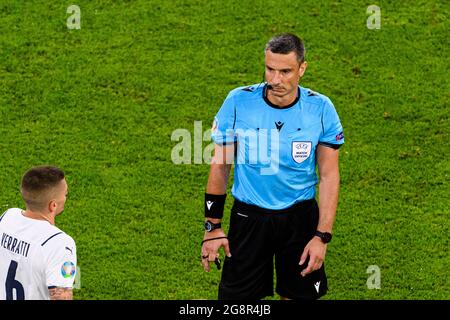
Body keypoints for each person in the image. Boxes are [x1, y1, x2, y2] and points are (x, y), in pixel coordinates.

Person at [201, 33, 344, 300]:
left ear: (302, 68)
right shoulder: (238, 102)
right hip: (249, 219)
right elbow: (220, 166)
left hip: (300, 220)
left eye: (285, 71)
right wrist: (212, 227)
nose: (275, 80)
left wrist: (321, 236)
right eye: (270, 69)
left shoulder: (321, 109)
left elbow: (328, 176)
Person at [0, 165, 77, 300]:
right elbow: (62, 295)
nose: (66, 197)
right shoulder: (60, 244)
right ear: (53, 205)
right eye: (65, 194)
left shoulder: (7, 217)